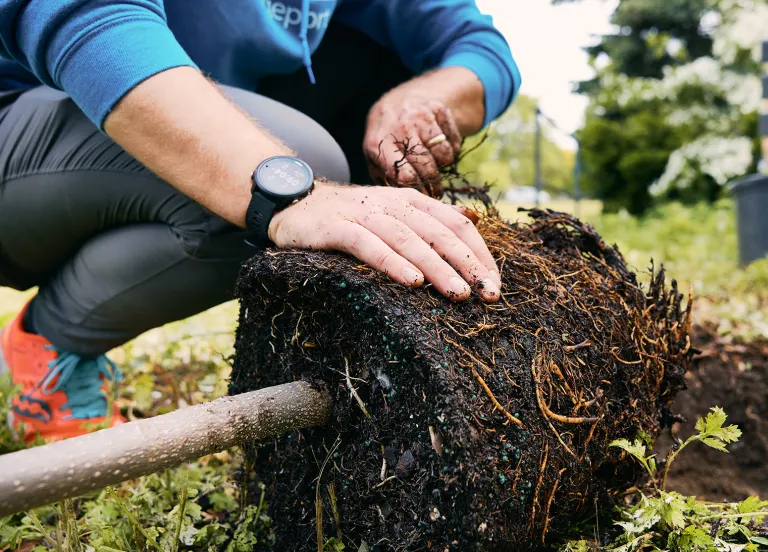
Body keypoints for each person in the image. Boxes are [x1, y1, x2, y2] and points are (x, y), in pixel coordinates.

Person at [0, 0, 521, 443]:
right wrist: (290, 193)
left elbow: (479, 47)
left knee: (360, 76)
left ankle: (43, 344)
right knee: (306, 165)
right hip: (21, 117)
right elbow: (84, 18)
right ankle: (52, 353)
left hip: (119, 162)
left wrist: (422, 97)